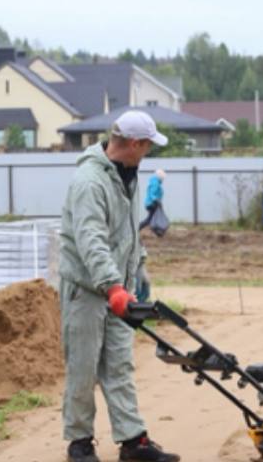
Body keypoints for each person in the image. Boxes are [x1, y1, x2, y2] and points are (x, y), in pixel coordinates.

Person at [58, 109, 180, 462]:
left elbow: (127, 231)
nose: (149, 152)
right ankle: (79, 443)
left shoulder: (127, 175)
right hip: (87, 290)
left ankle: (133, 441)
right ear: (134, 143)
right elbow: (91, 239)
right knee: (82, 367)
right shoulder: (90, 181)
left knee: (120, 365)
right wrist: (112, 286)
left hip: (119, 289)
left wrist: (138, 269)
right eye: (148, 146)